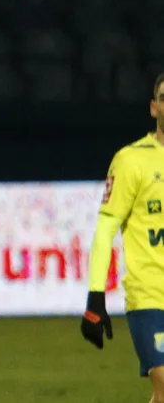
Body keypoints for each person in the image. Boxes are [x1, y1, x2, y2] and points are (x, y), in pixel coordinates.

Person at [82, 73, 164, 402]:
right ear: (154, 108)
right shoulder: (131, 160)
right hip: (151, 297)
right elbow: (105, 231)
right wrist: (95, 299)